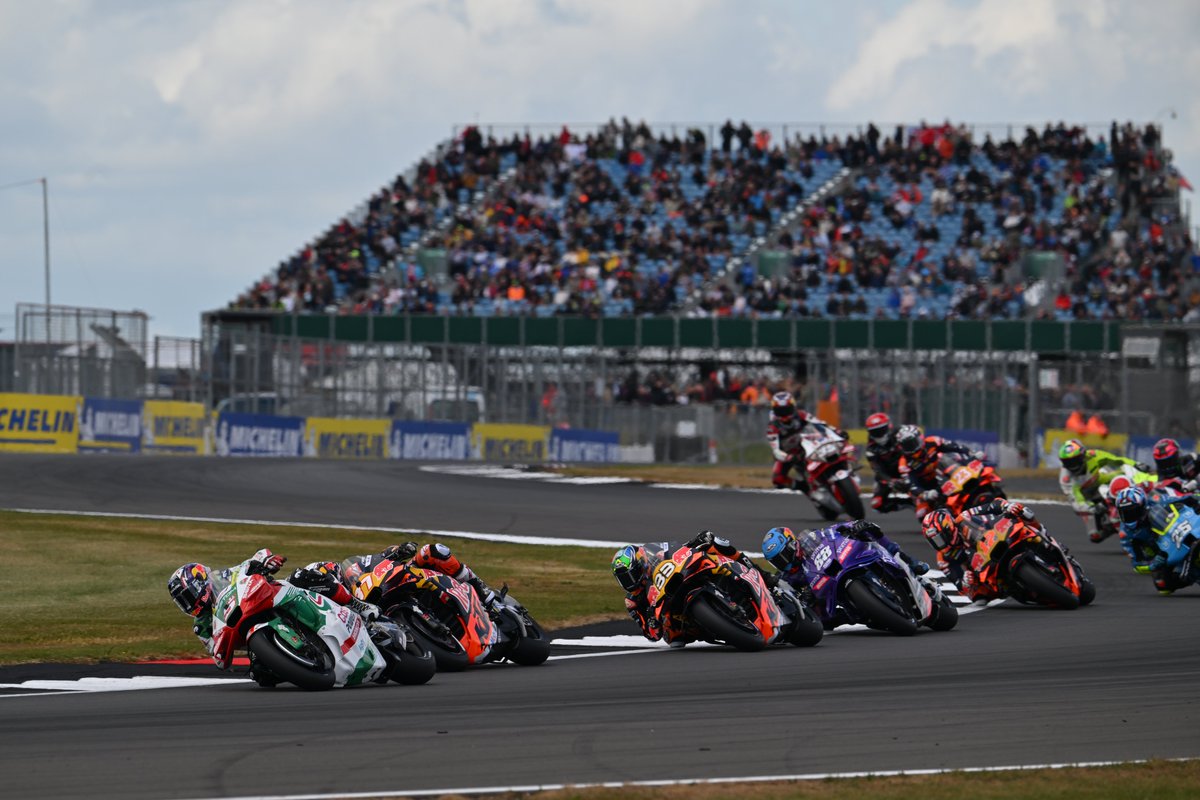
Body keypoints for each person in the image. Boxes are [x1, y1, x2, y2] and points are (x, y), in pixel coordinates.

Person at [167, 547, 382, 684]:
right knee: (260, 675)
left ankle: (358, 605)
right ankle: (305, 662)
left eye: (188, 596)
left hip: (272, 594)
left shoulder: (225, 575)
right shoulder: (202, 625)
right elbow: (219, 658)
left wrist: (267, 561)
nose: (189, 604)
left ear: (200, 583)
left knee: (303, 576)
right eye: (183, 602)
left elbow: (253, 560)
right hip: (250, 633)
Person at [761, 520, 930, 630]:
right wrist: (803, 598)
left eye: (784, 555)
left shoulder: (811, 539)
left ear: (792, 543)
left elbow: (833, 531)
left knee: (869, 532)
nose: (784, 563)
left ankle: (910, 561)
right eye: (778, 561)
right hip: (830, 597)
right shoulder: (787, 578)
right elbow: (794, 601)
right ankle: (867, 612)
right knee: (824, 622)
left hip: (844, 562)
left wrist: (853, 527)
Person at [612, 530, 762, 647]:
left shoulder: (656, 555)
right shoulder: (633, 601)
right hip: (673, 616)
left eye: (631, 575)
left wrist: (694, 542)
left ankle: (757, 572)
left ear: (642, 564)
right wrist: (651, 621)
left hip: (680, 580)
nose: (630, 582)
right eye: (624, 579)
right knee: (674, 640)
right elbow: (652, 635)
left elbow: (675, 550)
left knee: (715, 545)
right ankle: (719, 626)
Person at [314, 541, 504, 611]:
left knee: (433, 551)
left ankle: (486, 596)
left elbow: (387, 554)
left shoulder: (358, 566)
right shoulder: (336, 604)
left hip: (402, 580)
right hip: (377, 609)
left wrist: (402, 550)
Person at [920, 500, 1038, 601]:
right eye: (934, 541)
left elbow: (992, 505)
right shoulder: (944, 557)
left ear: (949, 528)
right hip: (983, 567)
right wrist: (965, 582)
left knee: (1023, 512)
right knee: (977, 597)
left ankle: (1041, 534)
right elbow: (957, 583)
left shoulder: (965, 516)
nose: (939, 544)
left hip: (995, 538)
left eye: (939, 539)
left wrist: (1006, 506)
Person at [1057, 438, 1154, 542]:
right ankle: (1112, 526)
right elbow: (1076, 502)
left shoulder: (1093, 455)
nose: (1073, 465)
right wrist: (1093, 508)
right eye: (1068, 462)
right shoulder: (1065, 479)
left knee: (1120, 476)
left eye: (1075, 460)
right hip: (1087, 499)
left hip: (1101, 482)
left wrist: (1136, 464)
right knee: (1095, 536)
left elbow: (1116, 460)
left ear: (1083, 455)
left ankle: (1142, 495)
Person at [1115, 485, 1200, 594]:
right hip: (1161, 554)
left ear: (1143, 506)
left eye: (1133, 511)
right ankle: (1193, 575)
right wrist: (1152, 564)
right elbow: (1137, 564)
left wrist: (1196, 498)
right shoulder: (1126, 534)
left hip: (1178, 532)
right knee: (1162, 585)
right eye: (1125, 513)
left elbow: (1183, 498)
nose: (1129, 516)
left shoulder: (1157, 501)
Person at [766, 390, 840, 494]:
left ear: (793, 406)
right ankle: (803, 487)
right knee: (777, 479)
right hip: (788, 454)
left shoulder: (801, 414)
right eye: (780, 411)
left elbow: (820, 424)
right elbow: (776, 451)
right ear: (774, 411)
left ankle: (840, 470)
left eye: (787, 409)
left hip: (807, 445)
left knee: (832, 451)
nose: (784, 414)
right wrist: (789, 457)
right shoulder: (772, 428)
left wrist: (836, 431)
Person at [895, 424, 981, 512]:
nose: (910, 448)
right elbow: (911, 485)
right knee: (922, 512)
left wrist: (971, 453)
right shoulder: (904, 463)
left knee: (948, 457)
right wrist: (925, 494)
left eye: (911, 443)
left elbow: (956, 447)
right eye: (906, 445)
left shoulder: (933, 441)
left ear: (920, 437)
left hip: (947, 476)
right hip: (928, 487)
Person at [863, 412, 912, 513]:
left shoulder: (902, 433)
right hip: (890, 476)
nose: (879, 434)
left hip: (911, 469)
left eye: (881, 430)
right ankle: (909, 503)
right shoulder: (871, 449)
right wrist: (891, 481)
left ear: (889, 426)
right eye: (875, 432)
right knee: (876, 504)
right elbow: (877, 470)